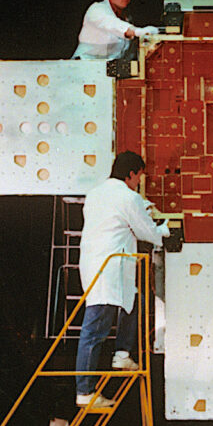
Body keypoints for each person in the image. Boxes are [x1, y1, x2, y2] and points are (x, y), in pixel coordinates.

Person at [75, 151, 169, 405]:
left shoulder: (96, 194)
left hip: (99, 264)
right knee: (95, 329)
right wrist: (166, 227)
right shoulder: (128, 197)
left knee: (132, 303)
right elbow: (146, 231)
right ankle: (85, 392)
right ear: (130, 174)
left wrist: (143, 207)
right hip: (110, 269)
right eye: (139, 176)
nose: (139, 181)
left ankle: (123, 353)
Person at [72, 0, 159, 60]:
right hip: (83, 66)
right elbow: (113, 24)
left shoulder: (127, 17)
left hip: (107, 70)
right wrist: (137, 31)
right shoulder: (96, 9)